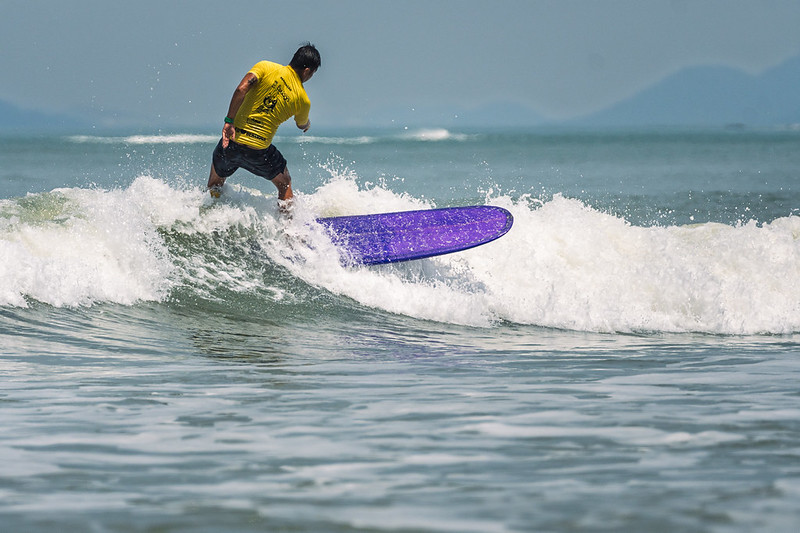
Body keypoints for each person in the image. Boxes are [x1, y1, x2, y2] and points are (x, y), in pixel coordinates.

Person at [207, 43, 321, 207]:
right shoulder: (303, 100)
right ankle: (289, 223)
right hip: (259, 152)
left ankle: (209, 214)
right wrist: (307, 124)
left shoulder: (265, 67)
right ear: (307, 71)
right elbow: (301, 124)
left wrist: (229, 121)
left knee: (215, 183)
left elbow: (241, 89)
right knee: (285, 183)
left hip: (231, 142)